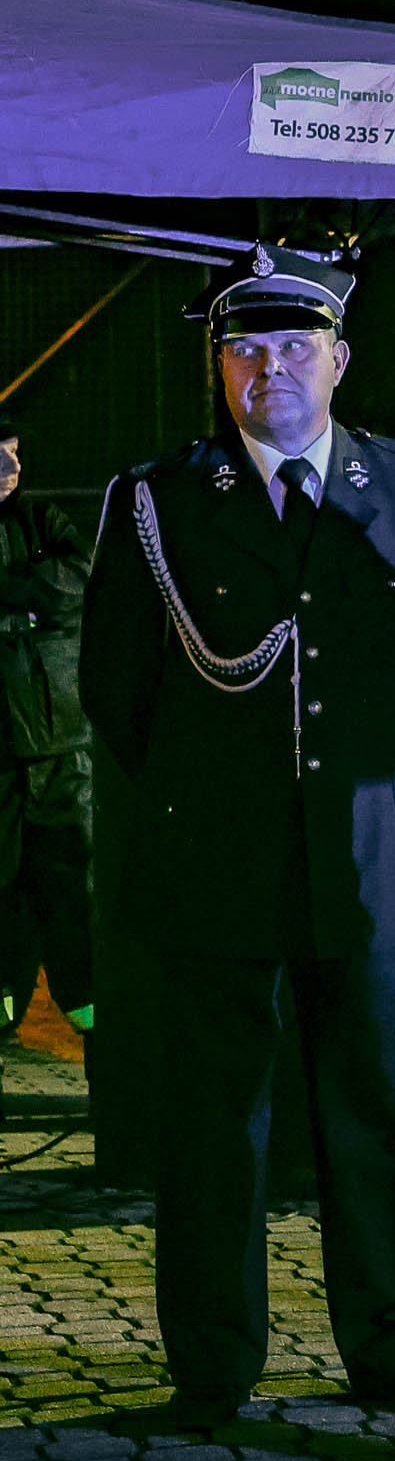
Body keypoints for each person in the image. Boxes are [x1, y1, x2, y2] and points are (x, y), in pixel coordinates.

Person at [80, 247, 395, 1431]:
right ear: (221, 365)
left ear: (339, 359)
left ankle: (391, 1350)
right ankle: (212, 1366)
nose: (269, 370)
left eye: (295, 346)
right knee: (215, 1120)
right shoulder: (157, 497)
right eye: (245, 349)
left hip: (365, 858)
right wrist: (208, 800)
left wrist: (374, 796)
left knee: (370, 1108)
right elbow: (119, 685)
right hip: (216, 857)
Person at [0, 418, 96, 1038]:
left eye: (13, 454)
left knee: (78, 900)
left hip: (62, 752)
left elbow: (77, 580)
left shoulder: (43, 520)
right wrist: (27, 609)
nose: (11, 468)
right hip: (10, 763)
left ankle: (100, 1042)